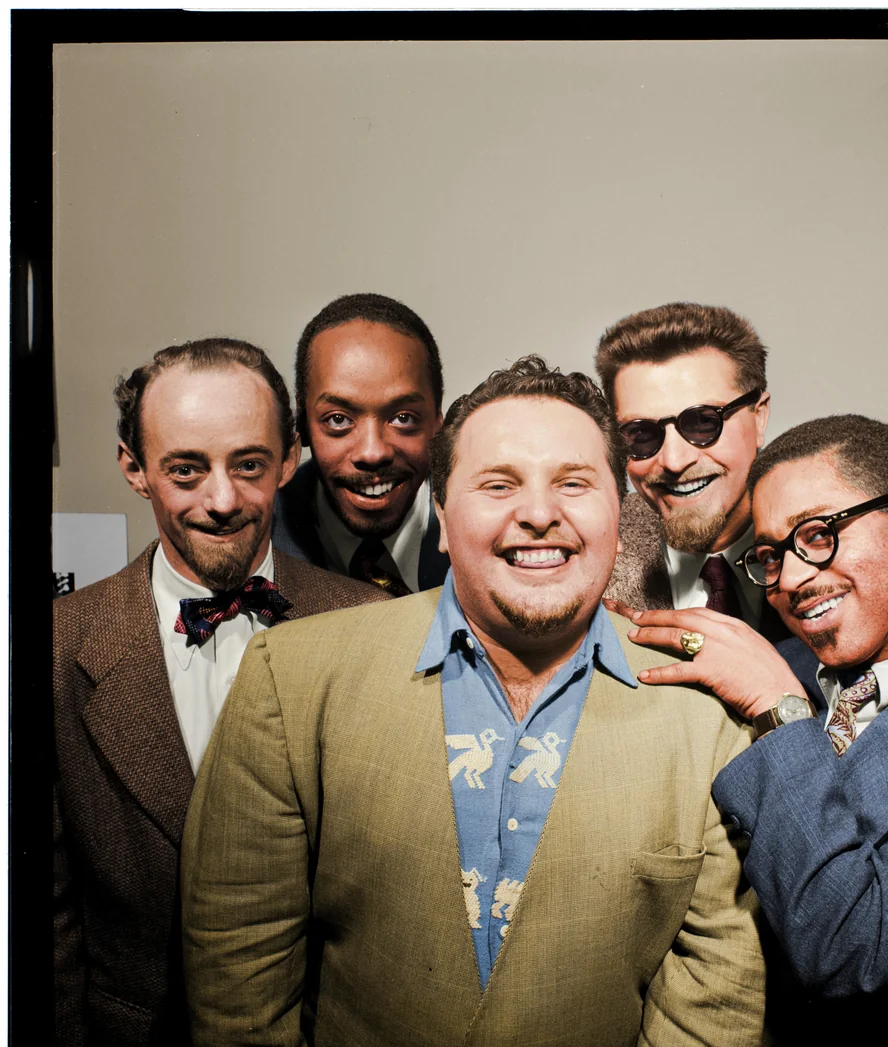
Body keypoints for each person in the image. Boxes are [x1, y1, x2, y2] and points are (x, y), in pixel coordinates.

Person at [181, 357, 765, 1047]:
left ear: (619, 508)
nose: (540, 514)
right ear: (441, 512)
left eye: (574, 483)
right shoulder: (293, 677)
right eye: (499, 484)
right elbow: (237, 957)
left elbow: (716, 992)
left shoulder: (707, 714)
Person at [620, 414, 888, 1045]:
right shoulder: (782, 666)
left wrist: (779, 711)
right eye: (772, 556)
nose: (794, 580)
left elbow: (858, 943)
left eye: (819, 534)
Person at [53, 339, 388, 1047]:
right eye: (185, 469)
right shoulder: (54, 646)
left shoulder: (374, 627)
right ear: (133, 468)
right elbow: (45, 914)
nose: (222, 499)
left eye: (248, 464)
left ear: (289, 459)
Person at [596, 301, 888, 652]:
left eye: (703, 423)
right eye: (641, 434)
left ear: (759, 416)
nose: (672, 459)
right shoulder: (594, 554)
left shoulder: (886, 525)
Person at [272, 292, 450, 594]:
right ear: (301, 423)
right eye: (338, 420)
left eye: (403, 418)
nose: (372, 452)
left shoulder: (487, 525)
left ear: (437, 423)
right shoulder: (260, 534)